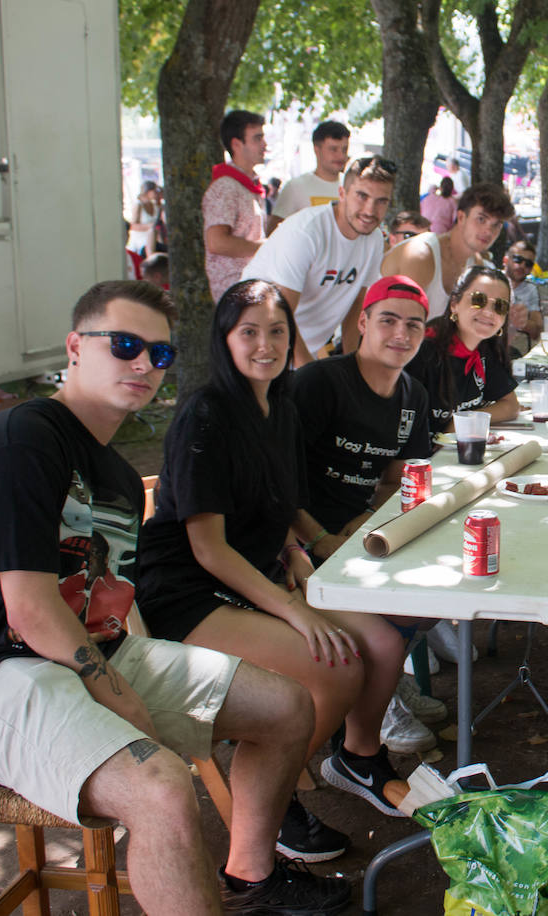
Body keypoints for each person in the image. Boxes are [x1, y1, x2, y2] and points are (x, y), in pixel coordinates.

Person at [0, 279, 352, 914]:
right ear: (75, 347)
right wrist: (121, 700)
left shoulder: (120, 476)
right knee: (162, 787)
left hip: (92, 652)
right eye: (123, 344)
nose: (143, 364)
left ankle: (253, 881)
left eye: (159, 354)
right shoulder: (22, 442)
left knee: (287, 707)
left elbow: (101, 608)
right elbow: (31, 610)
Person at [136, 280, 367, 862]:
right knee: (336, 665)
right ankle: (270, 807)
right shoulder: (206, 415)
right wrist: (289, 606)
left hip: (250, 579)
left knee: (352, 652)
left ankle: (271, 789)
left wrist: (298, 557)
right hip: (187, 592)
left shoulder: (281, 408)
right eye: (249, 332)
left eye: (277, 331)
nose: (265, 345)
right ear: (224, 339)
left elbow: (277, 508)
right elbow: (209, 548)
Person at [288, 276, 442, 808]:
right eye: (388, 320)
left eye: (414, 324)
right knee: (385, 637)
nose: (401, 333)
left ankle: (375, 697)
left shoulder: (412, 394)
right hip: (300, 544)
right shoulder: (318, 383)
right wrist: (320, 538)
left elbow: (403, 473)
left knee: (439, 595)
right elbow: (275, 481)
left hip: (357, 536)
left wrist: (381, 518)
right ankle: (358, 751)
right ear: (362, 323)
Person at [242, 156, 394, 365]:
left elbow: (356, 305)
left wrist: (355, 365)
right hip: (256, 348)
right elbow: (281, 312)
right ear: (342, 193)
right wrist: (308, 372)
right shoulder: (307, 232)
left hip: (302, 350)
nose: (370, 210)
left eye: (381, 201)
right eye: (362, 196)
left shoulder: (374, 239)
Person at [408, 266, 520, 439]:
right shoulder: (421, 352)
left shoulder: (484, 349)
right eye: (478, 300)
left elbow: (511, 406)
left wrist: (460, 423)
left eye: (499, 306)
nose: (489, 312)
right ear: (454, 304)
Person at [380, 182, 513, 318]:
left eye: (496, 225)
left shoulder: (477, 266)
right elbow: (399, 327)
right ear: (461, 217)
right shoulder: (421, 255)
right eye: (481, 219)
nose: (488, 231)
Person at [203, 109, 268, 301]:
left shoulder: (246, 185)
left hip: (249, 287)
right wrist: (267, 247)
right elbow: (217, 242)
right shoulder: (225, 187)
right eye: (257, 139)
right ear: (236, 144)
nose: (264, 145)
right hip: (235, 293)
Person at [266, 120, 351, 236]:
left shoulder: (352, 187)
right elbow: (273, 234)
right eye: (333, 149)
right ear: (317, 149)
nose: (341, 156)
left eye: (344, 150)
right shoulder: (295, 187)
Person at [503, 239, 543, 357]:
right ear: (506, 260)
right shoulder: (492, 282)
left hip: (516, 351)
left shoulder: (530, 290)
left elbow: (537, 330)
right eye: (518, 260)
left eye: (528, 263)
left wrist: (521, 321)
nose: (522, 266)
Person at [125, 181, 161, 256]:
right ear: (148, 192)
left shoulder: (155, 205)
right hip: (141, 241)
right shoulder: (138, 205)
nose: (157, 193)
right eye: (155, 191)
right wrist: (149, 226)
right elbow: (133, 226)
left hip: (153, 239)